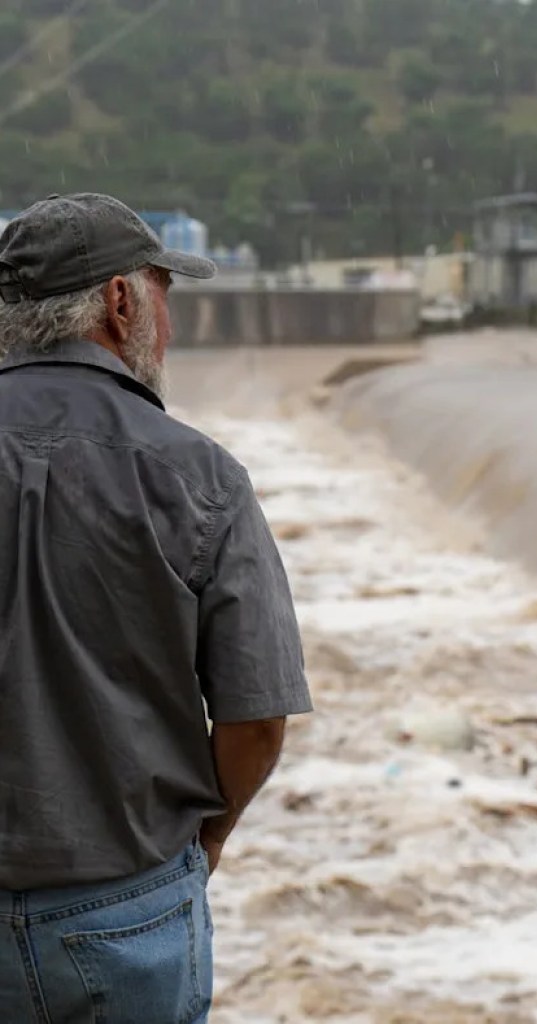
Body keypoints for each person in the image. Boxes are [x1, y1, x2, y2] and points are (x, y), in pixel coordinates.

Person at [0, 194, 312, 1023]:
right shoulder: (201, 477)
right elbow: (257, 720)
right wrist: (209, 838)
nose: (166, 327)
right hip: (127, 912)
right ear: (120, 302)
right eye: (162, 295)